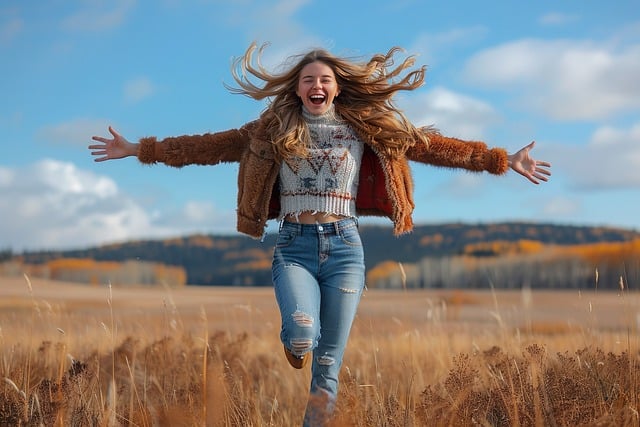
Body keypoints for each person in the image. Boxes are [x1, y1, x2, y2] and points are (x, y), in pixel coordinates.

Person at [89, 42, 551, 426]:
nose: (317, 85)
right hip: (293, 246)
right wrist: (139, 149)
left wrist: (502, 159)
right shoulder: (268, 130)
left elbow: (434, 147)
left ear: (338, 87)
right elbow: (205, 147)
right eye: (308, 79)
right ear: (297, 88)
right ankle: (295, 343)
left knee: (329, 366)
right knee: (303, 332)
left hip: (346, 248)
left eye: (325, 80)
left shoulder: (368, 127)